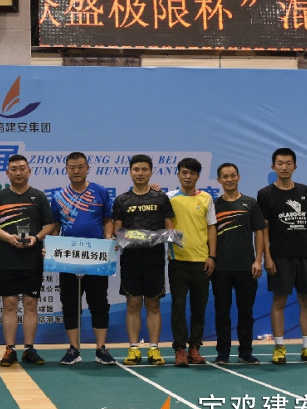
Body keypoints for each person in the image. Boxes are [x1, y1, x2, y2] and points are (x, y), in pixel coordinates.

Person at [257, 147, 307, 364]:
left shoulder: (305, 191)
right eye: (280, 163)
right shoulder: (265, 194)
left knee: (306, 300)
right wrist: (267, 257)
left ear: (295, 167)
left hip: (306, 255)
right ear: (273, 167)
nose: (284, 167)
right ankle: (279, 347)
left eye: (288, 163)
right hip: (280, 256)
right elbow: (263, 228)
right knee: (279, 300)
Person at [0, 154, 55, 367]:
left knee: (31, 303)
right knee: (9, 304)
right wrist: (8, 238)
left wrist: (37, 238)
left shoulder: (38, 196)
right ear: (7, 173)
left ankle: (29, 348)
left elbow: (50, 224)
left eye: (22, 168)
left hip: (32, 259)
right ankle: (10, 349)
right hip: (8, 259)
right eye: (14, 169)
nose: (18, 172)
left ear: (29, 171)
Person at [49, 152, 116, 366]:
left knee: (99, 302)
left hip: (96, 257)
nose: (76, 171)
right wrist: (51, 249)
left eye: (80, 167)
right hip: (68, 258)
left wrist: (108, 239)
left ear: (88, 168)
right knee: (70, 304)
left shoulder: (100, 192)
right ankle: (73, 349)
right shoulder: (59, 196)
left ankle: (101, 349)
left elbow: (107, 220)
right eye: (72, 167)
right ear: (66, 170)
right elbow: (55, 227)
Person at [111, 154, 174, 367]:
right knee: (133, 305)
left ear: (151, 172)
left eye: (144, 169)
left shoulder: (160, 198)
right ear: (130, 172)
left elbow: (169, 228)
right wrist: (127, 238)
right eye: (136, 169)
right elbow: (117, 231)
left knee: (154, 305)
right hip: (130, 261)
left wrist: (158, 238)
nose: (140, 173)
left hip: (155, 260)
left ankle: (154, 349)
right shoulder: (121, 200)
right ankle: (133, 348)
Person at [212, 163, 265, 365]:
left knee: (246, 313)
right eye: (225, 176)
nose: (229, 179)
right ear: (219, 180)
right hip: (220, 268)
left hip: (246, 267)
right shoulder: (214, 205)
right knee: (222, 313)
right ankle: (223, 353)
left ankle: (245, 352)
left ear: (239, 177)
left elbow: (259, 232)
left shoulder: (250, 203)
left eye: (232, 175)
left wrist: (258, 260)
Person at [167, 157, 216, 367]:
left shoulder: (206, 198)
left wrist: (212, 256)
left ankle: (195, 347)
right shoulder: (168, 197)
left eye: (192, 173)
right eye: (184, 172)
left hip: (201, 262)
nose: (188, 177)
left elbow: (212, 227)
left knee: (199, 307)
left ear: (198, 176)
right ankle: (180, 349)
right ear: (178, 174)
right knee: (178, 306)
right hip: (177, 261)